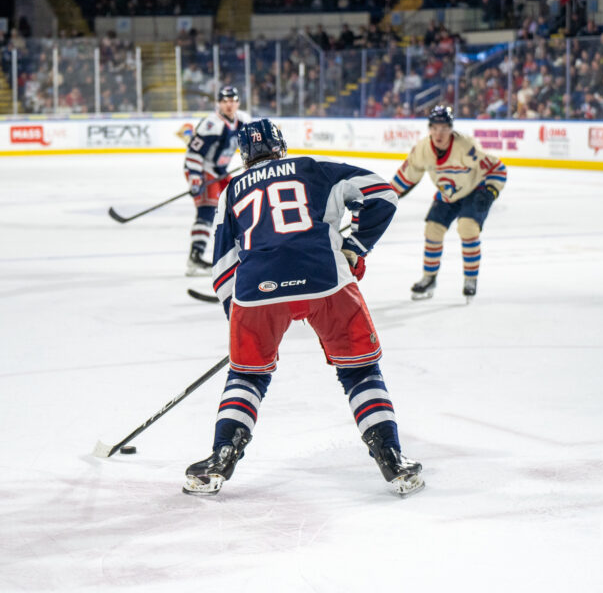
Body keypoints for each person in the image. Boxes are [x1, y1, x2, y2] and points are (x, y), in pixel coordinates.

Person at [182, 119, 424, 498]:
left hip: (255, 287)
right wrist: (355, 247)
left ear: (245, 156)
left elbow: (223, 264)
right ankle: (392, 459)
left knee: (248, 376)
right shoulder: (313, 167)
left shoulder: (232, 190)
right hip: (324, 278)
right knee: (359, 371)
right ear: (282, 146)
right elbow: (382, 193)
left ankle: (220, 458)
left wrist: (239, 315)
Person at [390, 105, 507, 301]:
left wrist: (491, 191)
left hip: (474, 190)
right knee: (432, 229)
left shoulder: (466, 147)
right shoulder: (422, 149)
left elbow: (498, 168)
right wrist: (386, 195)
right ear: (429, 129)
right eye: (435, 128)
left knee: (468, 228)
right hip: (448, 194)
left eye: (444, 128)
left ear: (451, 129)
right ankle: (429, 278)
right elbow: (406, 177)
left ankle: (470, 279)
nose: (439, 133)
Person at [182, 85, 251, 276]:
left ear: (238, 102)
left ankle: (240, 253)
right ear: (219, 103)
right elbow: (194, 153)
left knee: (237, 205)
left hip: (220, 171)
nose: (229, 105)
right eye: (225, 101)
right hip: (203, 170)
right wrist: (195, 177)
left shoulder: (243, 120)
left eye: (232, 101)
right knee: (207, 208)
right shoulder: (211, 124)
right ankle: (195, 256)